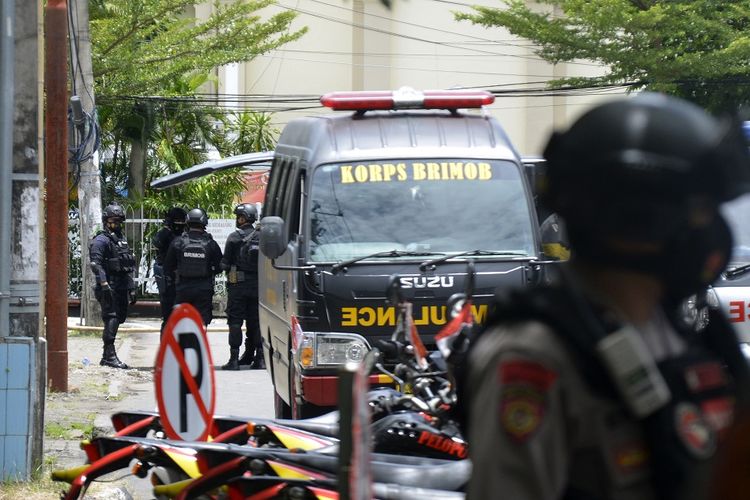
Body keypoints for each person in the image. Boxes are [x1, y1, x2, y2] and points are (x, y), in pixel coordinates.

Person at [463, 93, 750, 500]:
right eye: (701, 209)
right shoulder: (535, 355)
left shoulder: (678, 330)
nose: (711, 228)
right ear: (643, 216)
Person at [89, 202, 137, 369]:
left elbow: (128, 265)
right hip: (108, 286)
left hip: (122, 285)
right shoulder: (101, 240)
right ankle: (109, 356)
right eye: (112, 221)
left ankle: (106, 356)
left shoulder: (120, 240)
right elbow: (96, 264)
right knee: (112, 318)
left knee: (119, 318)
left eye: (118, 221)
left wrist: (131, 288)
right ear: (106, 221)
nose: (115, 224)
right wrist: (103, 283)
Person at [220, 203, 264, 371]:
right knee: (257, 322)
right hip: (258, 286)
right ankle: (259, 359)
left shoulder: (234, 237)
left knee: (235, 322)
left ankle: (234, 360)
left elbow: (224, 264)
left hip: (238, 286)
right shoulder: (262, 237)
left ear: (242, 218)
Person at [163, 207, 222, 327]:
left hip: (183, 289)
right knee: (201, 323)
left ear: (188, 222)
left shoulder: (178, 242)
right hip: (204, 290)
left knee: (179, 322)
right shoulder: (211, 244)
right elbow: (220, 267)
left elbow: (167, 267)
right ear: (204, 223)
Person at [151, 206, 186, 334]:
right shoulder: (165, 233)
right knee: (168, 314)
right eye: (177, 221)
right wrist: (166, 229)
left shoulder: (185, 235)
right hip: (168, 277)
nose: (180, 224)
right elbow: (157, 242)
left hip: (182, 278)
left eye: (181, 221)